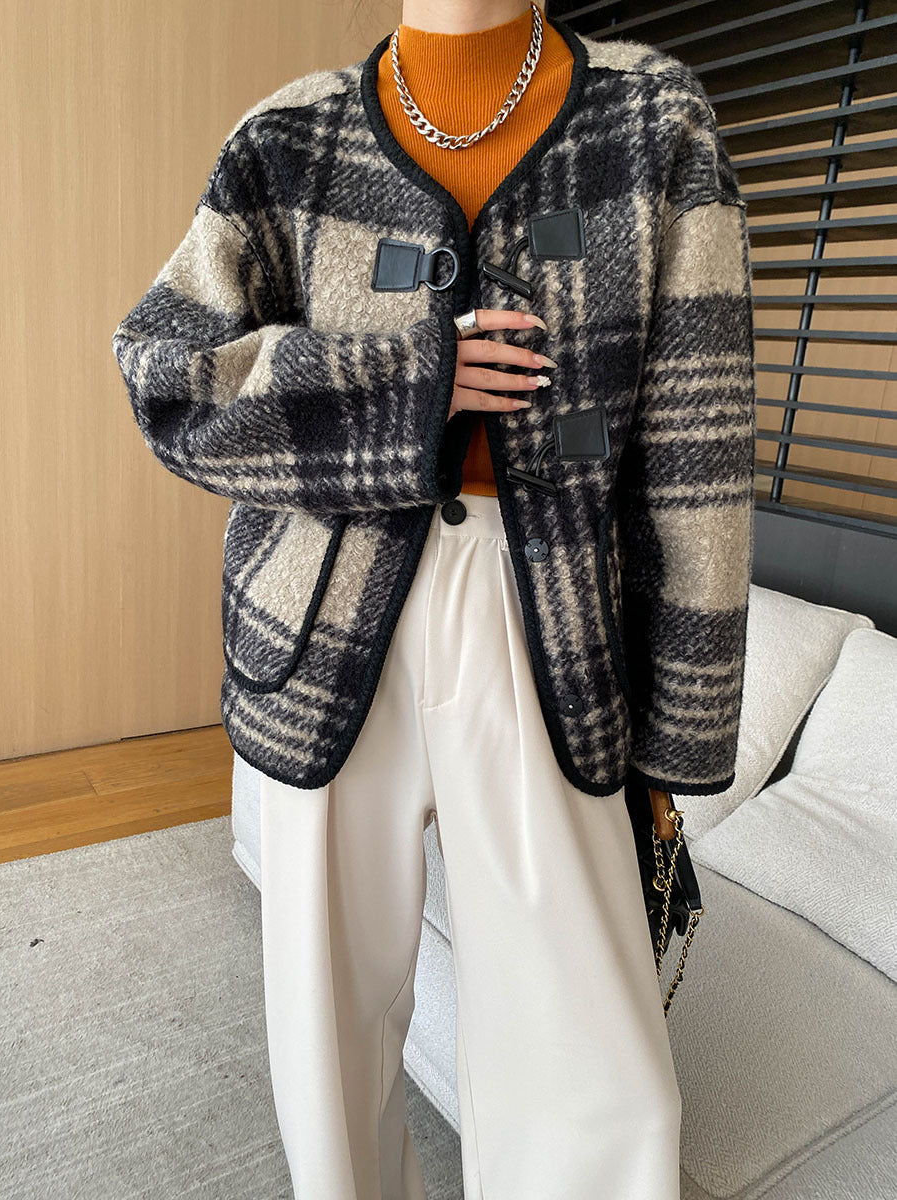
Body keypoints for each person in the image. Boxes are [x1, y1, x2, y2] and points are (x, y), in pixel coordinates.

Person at [258, 5, 681, 1199]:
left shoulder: (653, 117)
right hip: (327, 605)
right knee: (326, 1025)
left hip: (545, 602)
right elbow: (167, 374)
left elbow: (693, 435)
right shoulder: (287, 135)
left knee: (599, 1069)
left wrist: (675, 725)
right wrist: (408, 382)